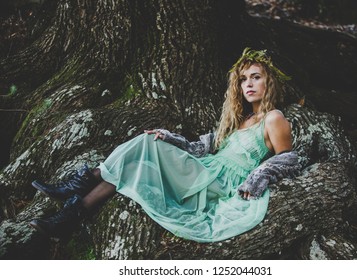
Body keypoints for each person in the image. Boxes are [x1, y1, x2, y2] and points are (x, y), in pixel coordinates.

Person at [29, 48, 300, 242]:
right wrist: (172, 138)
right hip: (205, 170)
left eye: (256, 77)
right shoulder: (241, 118)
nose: (248, 83)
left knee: (145, 144)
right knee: (137, 160)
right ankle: (72, 215)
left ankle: (81, 183)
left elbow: (287, 159)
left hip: (221, 183)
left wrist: (256, 178)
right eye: (243, 79)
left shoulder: (274, 118)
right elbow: (202, 148)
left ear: (269, 82)